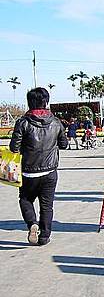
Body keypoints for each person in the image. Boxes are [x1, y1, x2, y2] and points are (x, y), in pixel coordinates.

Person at [9, 87, 68, 246]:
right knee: (47, 205)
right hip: (50, 172)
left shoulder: (22, 123)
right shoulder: (56, 122)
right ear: (46, 102)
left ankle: (32, 224)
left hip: (28, 172)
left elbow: (14, 148)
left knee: (25, 199)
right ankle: (44, 237)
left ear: (29, 102)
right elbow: (64, 144)